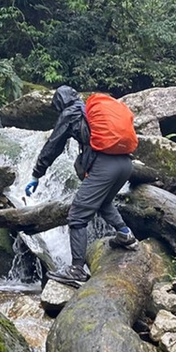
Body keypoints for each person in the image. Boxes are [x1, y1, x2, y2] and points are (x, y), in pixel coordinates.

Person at [24, 86, 139, 287]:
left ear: (59, 103)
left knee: (77, 216)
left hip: (105, 166)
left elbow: (53, 145)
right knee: (103, 202)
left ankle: (76, 269)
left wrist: (36, 174)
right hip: (125, 164)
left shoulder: (70, 113)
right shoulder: (89, 112)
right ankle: (125, 234)